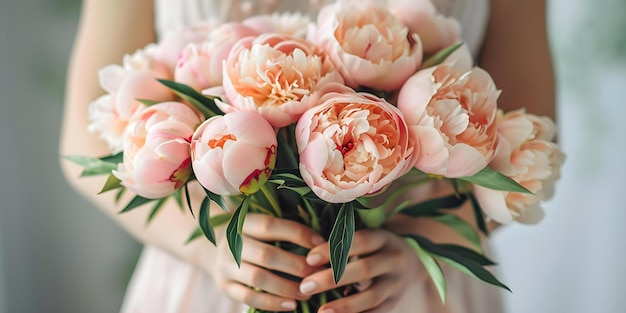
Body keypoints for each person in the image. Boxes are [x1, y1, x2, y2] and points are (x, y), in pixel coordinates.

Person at [60, 0, 555, 312]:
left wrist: (420, 246)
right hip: (212, 281)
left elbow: (526, 140)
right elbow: (85, 140)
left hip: (406, 286)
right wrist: (208, 247)